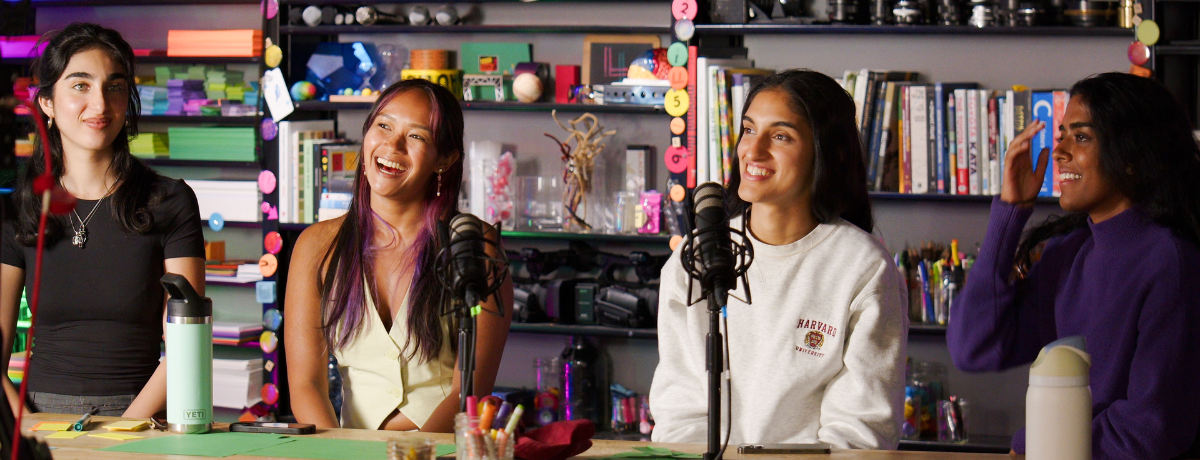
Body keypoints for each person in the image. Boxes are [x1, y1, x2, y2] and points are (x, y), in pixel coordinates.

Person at [650, 69, 909, 449]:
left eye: (781, 136)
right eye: (749, 129)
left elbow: (859, 431)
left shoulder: (863, 268)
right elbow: (680, 411)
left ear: (828, 152)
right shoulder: (693, 259)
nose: (753, 151)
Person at [947, 72, 1200, 459]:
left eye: (1080, 137)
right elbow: (973, 347)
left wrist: (1036, 443)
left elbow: (1152, 429)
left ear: (1131, 157)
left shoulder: (1170, 262)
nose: (1059, 149)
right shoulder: (1068, 253)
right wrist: (1010, 214)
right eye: (1061, 133)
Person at [0, 22, 206, 417]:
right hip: (38, 418)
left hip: (139, 417)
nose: (100, 105)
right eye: (80, 85)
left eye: (114, 86)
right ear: (46, 102)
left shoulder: (170, 200)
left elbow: (188, 344)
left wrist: (126, 431)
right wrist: (25, 427)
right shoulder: (20, 208)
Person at [285, 79, 513, 432]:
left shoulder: (473, 244)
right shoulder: (316, 246)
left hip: (440, 454)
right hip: (346, 455)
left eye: (416, 136)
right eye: (383, 126)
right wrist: (334, 455)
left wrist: (417, 455)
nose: (392, 145)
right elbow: (305, 385)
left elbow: (469, 391)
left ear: (446, 158)